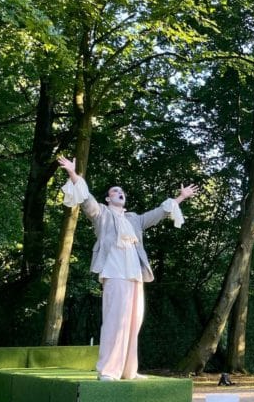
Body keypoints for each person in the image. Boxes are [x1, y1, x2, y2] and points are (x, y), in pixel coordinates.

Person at [57, 155, 197, 381]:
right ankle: (108, 370)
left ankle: (128, 371)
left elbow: (158, 214)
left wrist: (180, 197)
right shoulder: (102, 214)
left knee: (132, 322)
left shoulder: (134, 219)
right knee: (114, 321)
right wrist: (73, 173)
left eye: (121, 191)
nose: (119, 193)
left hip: (135, 277)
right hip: (115, 274)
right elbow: (86, 200)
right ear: (108, 197)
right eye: (114, 191)